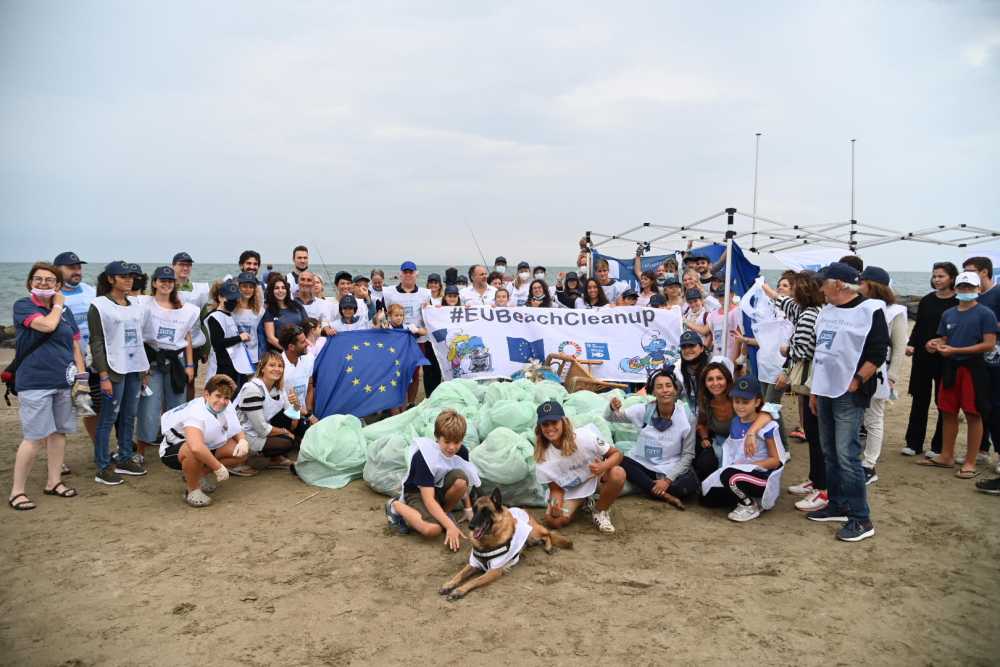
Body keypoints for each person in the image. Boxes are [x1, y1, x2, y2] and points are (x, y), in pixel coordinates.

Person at [807, 262, 888, 542]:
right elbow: (821, 352)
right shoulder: (826, 312)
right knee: (829, 451)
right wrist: (815, 391)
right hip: (825, 389)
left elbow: (878, 352)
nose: (820, 287)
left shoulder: (870, 310)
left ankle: (860, 518)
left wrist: (856, 381)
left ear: (839, 284)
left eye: (824, 282)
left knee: (847, 454)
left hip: (848, 392)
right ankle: (838, 504)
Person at [8, 262, 89, 510]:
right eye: (38, 279)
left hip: (63, 380)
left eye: (49, 280)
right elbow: (46, 325)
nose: (43, 283)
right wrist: (57, 304)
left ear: (57, 285)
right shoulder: (24, 306)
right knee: (34, 437)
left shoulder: (64, 311)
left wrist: (82, 376)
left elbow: (75, 343)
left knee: (59, 433)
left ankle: (53, 482)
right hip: (35, 382)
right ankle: (17, 491)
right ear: (30, 283)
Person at [918, 271, 997, 479]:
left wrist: (956, 350)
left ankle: (970, 461)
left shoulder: (985, 313)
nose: (966, 291)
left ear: (978, 289)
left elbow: (989, 344)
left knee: (973, 413)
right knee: (947, 411)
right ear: (956, 289)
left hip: (973, 368)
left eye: (970, 287)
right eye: (962, 287)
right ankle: (946, 455)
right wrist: (934, 344)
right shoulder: (949, 314)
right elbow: (944, 338)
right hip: (950, 367)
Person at [762, 273, 827, 511]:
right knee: (812, 430)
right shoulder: (808, 310)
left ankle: (823, 487)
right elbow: (782, 301)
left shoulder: (810, 314)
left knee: (816, 433)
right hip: (811, 380)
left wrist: (786, 355)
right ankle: (816, 480)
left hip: (811, 380)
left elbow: (803, 349)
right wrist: (765, 287)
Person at [384, 410, 480, 551]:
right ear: (437, 437)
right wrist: (450, 526)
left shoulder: (462, 452)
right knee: (432, 530)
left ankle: (443, 514)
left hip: (438, 488)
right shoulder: (425, 457)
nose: (452, 447)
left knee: (461, 480)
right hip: (417, 493)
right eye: (446, 442)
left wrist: (468, 508)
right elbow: (428, 500)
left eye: (457, 442)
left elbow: (464, 481)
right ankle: (395, 506)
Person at [89, 261, 150, 484]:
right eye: (123, 276)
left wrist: (145, 369)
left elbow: (139, 338)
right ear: (110, 279)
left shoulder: (134, 305)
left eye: (131, 276)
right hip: (113, 370)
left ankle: (124, 457)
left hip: (134, 368)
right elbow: (96, 342)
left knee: (129, 415)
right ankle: (103, 467)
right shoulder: (99, 305)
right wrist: (103, 375)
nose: (128, 279)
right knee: (108, 417)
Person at [701, 376, 787, 522]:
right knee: (707, 499)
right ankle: (744, 496)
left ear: (757, 402)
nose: (740, 406)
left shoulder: (766, 426)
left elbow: (775, 461)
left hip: (761, 477)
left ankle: (749, 505)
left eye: (746, 402)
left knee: (731, 477)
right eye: (737, 401)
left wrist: (750, 467)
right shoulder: (735, 422)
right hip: (741, 471)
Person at [607, 369, 700, 504]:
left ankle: (648, 487)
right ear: (653, 391)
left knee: (687, 486)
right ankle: (663, 494)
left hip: (669, 468)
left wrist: (667, 481)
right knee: (620, 459)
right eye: (659, 387)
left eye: (668, 386)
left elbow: (688, 455)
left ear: (675, 390)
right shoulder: (643, 410)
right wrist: (611, 408)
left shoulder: (687, 417)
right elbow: (611, 418)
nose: (665, 390)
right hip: (644, 464)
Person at [135, 266, 199, 462]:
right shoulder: (143, 304)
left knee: (177, 406)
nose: (166, 284)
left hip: (176, 362)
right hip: (152, 362)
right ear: (154, 282)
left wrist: (189, 365)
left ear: (175, 284)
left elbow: (187, 337)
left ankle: (176, 446)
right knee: (149, 407)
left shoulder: (186, 309)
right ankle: (140, 451)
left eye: (169, 281)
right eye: (162, 280)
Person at [158, 374, 250, 507]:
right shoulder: (195, 412)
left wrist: (242, 441)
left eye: (226, 398)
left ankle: (197, 475)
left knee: (240, 451)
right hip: (174, 449)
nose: (222, 401)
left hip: (205, 444)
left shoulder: (226, 404)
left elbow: (236, 428)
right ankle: (192, 490)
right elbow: (195, 446)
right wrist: (218, 468)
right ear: (206, 395)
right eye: (218, 396)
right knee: (192, 450)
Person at [534, 401, 625, 534]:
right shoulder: (542, 456)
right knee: (553, 521)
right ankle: (584, 500)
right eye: (545, 424)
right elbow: (555, 489)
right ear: (540, 427)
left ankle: (600, 511)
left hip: (595, 478)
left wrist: (602, 466)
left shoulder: (584, 436)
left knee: (618, 474)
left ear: (563, 422)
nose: (550, 428)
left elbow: (617, 454)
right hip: (572, 488)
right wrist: (555, 504)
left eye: (554, 422)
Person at [857, 266, 908, 485]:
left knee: (874, 418)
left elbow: (898, 346)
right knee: (858, 416)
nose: (858, 285)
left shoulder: (895, 311)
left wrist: (893, 376)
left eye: (862, 282)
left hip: (880, 370)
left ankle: (869, 464)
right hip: (858, 368)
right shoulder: (859, 306)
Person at [902, 262, 958, 457]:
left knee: (942, 401)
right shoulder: (926, 300)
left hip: (945, 357)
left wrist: (942, 343)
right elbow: (919, 326)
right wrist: (911, 344)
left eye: (941, 276)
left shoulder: (958, 302)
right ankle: (913, 443)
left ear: (951, 278)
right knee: (919, 398)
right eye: (935, 276)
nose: (937, 279)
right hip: (923, 356)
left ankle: (938, 446)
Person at [54, 251, 99, 449]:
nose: (77, 271)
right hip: (63, 360)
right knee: (60, 409)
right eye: (71, 267)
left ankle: (99, 446)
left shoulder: (90, 291)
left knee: (92, 407)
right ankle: (57, 458)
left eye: (78, 267)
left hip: (91, 360)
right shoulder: (54, 296)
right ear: (57, 270)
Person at [962, 256, 1000, 464]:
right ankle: (981, 449)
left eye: (970, 270)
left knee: (996, 406)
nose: (966, 274)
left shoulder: (997, 293)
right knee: (979, 405)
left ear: (984, 272)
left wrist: (987, 327)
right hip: (976, 361)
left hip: (995, 359)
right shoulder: (972, 296)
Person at [233, 351, 298, 469]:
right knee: (287, 441)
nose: (277, 369)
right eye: (272, 365)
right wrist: (284, 431)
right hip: (241, 434)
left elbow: (293, 417)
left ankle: (275, 458)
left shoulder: (278, 388)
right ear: (262, 368)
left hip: (257, 429)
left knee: (289, 425)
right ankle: (238, 460)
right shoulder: (252, 388)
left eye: (280, 366)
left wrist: (296, 404)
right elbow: (262, 429)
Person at [382, 262, 435, 402]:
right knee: (394, 372)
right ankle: (394, 403)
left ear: (416, 274)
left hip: (417, 340)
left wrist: (429, 308)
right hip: (395, 341)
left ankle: (410, 403)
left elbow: (432, 316)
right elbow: (382, 313)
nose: (408, 275)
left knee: (415, 373)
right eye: (405, 272)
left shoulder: (425, 293)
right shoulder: (388, 292)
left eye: (411, 272)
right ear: (400, 274)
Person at [171, 252, 209, 400]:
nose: (185, 268)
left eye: (188, 265)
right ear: (173, 266)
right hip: (171, 345)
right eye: (181, 264)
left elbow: (203, 319)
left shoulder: (198, 290)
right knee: (170, 382)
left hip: (193, 344)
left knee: (190, 381)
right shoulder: (166, 286)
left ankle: (188, 411)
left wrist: (206, 348)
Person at [205, 281, 253, 389]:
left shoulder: (229, 315)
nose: (233, 302)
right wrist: (240, 338)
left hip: (234, 364)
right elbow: (218, 343)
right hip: (221, 366)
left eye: (235, 299)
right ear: (221, 298)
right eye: (229, 299)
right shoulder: (214, 317)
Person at [694, 361, 736, 479]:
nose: (715, 383)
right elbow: (701, 424)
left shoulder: (738, 399)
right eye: (710, 379)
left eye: (719, 378)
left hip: (742, 443)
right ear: (705, 383)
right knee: (706, 462)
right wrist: (705, 438)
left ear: (727, 380)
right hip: (719, 441)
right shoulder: (705, 401)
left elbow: (763, 412)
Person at [279, 325, 318, 444]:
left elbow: (310, 387)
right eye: (303, 342)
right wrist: (304, 415)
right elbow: (282, 402)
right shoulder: (278, 365)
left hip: (303, 412)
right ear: (291, 347)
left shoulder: (309, 358)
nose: (308, 343)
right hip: (285, 412)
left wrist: (309, 412)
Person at [261, 274, 306, 352]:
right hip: (282, 352)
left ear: (287, 290)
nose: (280, 290)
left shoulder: (297, 305)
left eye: (283, 288)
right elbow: (270, 338)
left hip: (301, 349)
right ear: (272, 291)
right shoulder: (269, 311)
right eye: (276, 288)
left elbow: (307, 326)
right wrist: (289, 350)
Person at [232, 271, 265, 368]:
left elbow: (261, 335)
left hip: (253, 356)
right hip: (235, 354)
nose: (248, 289)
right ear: (238, 287)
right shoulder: (232, 309)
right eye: (244, 286)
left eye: (251, 287)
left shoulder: (260, 311)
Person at [707, 281, 743, 366]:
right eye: (720, 295)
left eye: (725, 295)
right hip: (717, 354)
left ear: (732, 294)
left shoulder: (737, 311)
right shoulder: (713, 313)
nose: (723, 298)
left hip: (732, 354)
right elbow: (713, 333)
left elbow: (740, 336)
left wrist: (735, 361)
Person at [678, 330, 710, 410]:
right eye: (684, 347)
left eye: (691, 345)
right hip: (691, 415)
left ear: (702, 348)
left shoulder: (713, 365)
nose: (687, 350)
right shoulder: (677, 369)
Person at [295, 271, 334, 335]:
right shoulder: (290, 302)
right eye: (302, 279)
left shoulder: (322, 304)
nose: (305, 283)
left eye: (309, 280)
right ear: (297, 282)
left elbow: (325, 323)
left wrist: (328, 330)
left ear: (313, 284)